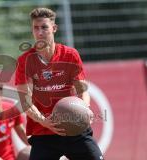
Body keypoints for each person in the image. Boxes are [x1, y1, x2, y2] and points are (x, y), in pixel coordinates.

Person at [15, 7, 104, 160]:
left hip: (74, 129)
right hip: (44, 132)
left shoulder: (70, 55)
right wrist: (44, 121)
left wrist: (85, 108)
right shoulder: (25, 61)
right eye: (36, 28)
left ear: (54, 28)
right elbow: (25, 101)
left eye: (44, 27)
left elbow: (82, 89)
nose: (40, 32)